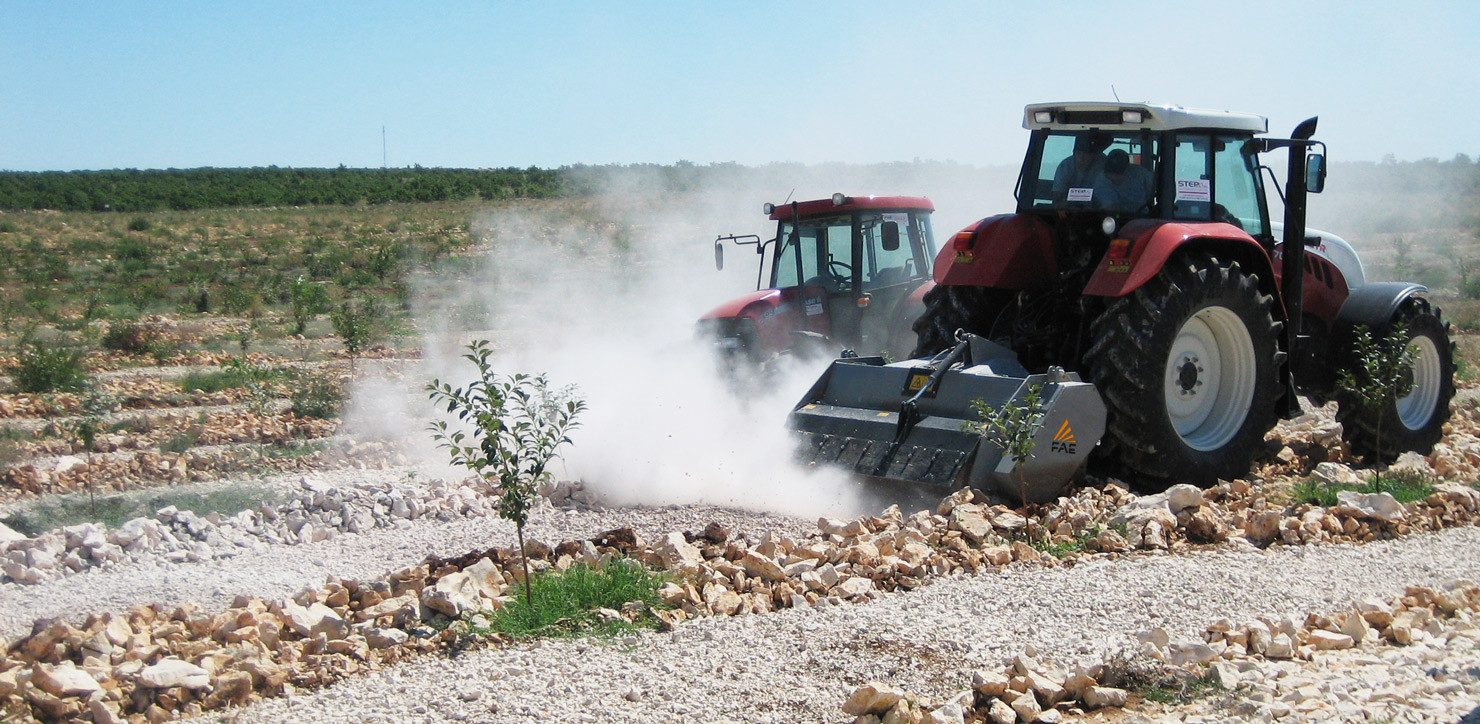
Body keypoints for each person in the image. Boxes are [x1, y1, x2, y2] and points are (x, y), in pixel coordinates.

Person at [1051, 134, 1109, 204]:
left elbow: (1108, 196)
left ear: (1094, 155)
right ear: (1074, 153)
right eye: (1078, 153)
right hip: (1069, 210)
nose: (1081, 158)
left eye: (1086, 154)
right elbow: (1056, 199)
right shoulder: (1065, 166)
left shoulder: (1104, 165)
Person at [1099, 149, 1156, 214]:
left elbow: (1159, 188)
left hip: (1143, 217)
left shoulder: (1142, 175)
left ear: (1128, 169)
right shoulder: (1101, 181)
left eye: (1118, 173)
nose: (1114, 177)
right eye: (1111, 173)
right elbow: (1111, 209)